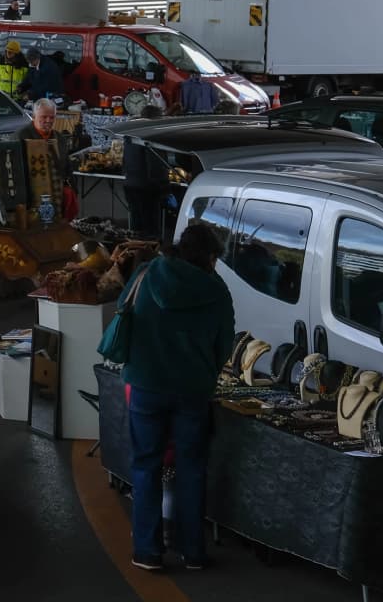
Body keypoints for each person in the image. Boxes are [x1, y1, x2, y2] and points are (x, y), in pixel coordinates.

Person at [119, 222, 234, 572]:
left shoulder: (146, 273)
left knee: (146, 466)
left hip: (146, 385)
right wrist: (205, 370)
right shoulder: (216, 289)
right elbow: (224, 345)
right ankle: (193, 552)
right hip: (192, 391)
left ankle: (147, 551)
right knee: (191, 468)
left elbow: (125, 313)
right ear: (210, 257)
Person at [123, 106, 169, 238]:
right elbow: (156, 165)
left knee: (137, 227)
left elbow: (125, 160)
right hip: (147, 187)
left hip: (130, 184)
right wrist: (164, 187)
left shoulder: (130, 133)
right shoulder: (152, 135)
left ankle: (136, 253)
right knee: (151, 230)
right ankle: (149, 254)